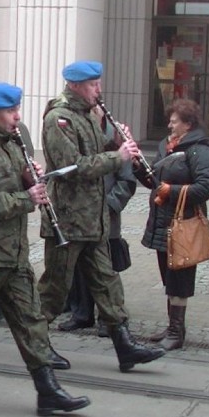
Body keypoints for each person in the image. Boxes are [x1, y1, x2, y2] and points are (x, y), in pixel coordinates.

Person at [0, 82, 91, 416]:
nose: (17, 117)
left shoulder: (10, 143)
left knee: (31, 321)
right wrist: (28, 198)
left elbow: (10, 184)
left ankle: (48, 389)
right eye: (10, 111)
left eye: (17, 110)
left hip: (13, 254)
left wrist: (28, 177)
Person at [38, 60, 166, 372]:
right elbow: (72, 166)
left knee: (107, 284)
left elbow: (99, 151)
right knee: (55, 288)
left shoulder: (87, 115)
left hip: (93, 219)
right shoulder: (59, 118)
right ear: (76, 86)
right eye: (93, 85)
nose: (99, 90)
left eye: (98, 83)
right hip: (67, 220)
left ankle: (124, 346)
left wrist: (118, 141)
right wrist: (116, 156)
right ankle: (36, 344)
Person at [141, 98, 209, 351]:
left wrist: (171, 190)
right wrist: (136, 167)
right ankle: (173, 327)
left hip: (184, 225)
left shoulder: (200, 150)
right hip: (163, 223)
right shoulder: (167, 145)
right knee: (168, 277)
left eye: (174, 121)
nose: (170, 125)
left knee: (180, 278)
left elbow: (206, 187)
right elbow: (153, 179)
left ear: (188, 124)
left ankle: (176, 332)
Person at [59, 108, 136, 337]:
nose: (91, 115)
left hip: (106, 217)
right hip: (82, 216)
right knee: (82, 267)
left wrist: (108, 205)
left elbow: (127, 181)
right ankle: (82, 313)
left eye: (94, 111)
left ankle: (107, 318)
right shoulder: (79, 135)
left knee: (107, 269)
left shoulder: (117, 136)